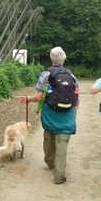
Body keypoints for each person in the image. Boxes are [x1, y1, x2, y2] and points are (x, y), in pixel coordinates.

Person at [20, 46, 78, 184]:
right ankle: (59, 175)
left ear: (51, 59)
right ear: (64, 59)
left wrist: (29, 98)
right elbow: (76, 97)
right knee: (62, 141)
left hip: (50, 112)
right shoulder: (72, 76)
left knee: (49, 136)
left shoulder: (45, 75)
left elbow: (39, 97)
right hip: (67, 112)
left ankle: (50, 161)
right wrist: (74, 113)